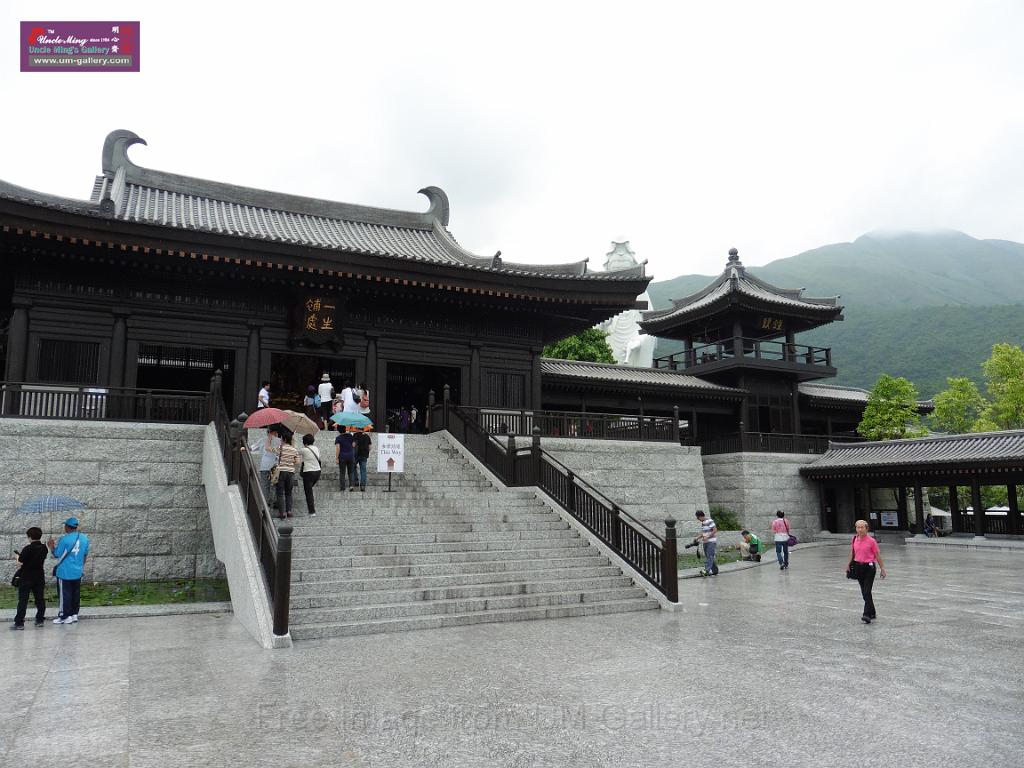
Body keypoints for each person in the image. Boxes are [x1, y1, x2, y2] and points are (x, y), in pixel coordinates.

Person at [47, 517, 90, 625]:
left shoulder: (65, 539)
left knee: (64, 594)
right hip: (77, 571)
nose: (64, 527)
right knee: (75, 593)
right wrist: (79, 566)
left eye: (65, 526)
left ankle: (64, 616)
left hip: (65, 572)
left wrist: (51, 546)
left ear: (67, 527)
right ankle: (74, 614)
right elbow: (85, 555)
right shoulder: (84, 538)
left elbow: (57, 554)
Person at [847, 519, 887, 624]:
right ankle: (872, 611)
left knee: (866, 591)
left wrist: (882, 568)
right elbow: (852, 552)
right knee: (864, 592)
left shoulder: (871, 541)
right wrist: (848, 564)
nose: (859, 529)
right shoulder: (854, 539)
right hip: (858, 567)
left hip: (869, 568)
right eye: (857, 527)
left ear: (866, 528)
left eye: (861, 527)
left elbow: (877, 555)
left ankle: (867, 614)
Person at [11, 527, 48, 630]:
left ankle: (19, 623)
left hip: (26, 577)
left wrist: (18, 557)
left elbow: (20, 564)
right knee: (40, 599)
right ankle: (40, 620)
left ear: (30, 537)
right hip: (39, 577)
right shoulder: (44, 548)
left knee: (23, 600)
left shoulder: (27, 548)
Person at [274, 429, 301, 518]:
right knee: (289, 493)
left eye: (281, 438)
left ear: (284, 439)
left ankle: (282, 513)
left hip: (281, 472)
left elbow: (270, 450)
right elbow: (297, 462)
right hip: (290, 473)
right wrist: (290, 460)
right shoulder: (294, 450)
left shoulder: (280, 448)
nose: (281, 440)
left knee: (280, 493)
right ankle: (289, 511)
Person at [299, 433, 322, 516]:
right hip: (317, 472)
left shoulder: (304, 450)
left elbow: (295, 453)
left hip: (308, 472)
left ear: (304, 443)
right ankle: (311, 508)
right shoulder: (316, 448)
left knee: (308, 492)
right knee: (310, 489)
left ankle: (312, 512)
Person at [258, 427, 282, 504]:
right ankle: (275, 502)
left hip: (265, 466)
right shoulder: (280, 441)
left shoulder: (262, 440)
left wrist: (243, 447)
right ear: (276, 433)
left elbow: (251, 448)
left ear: (268, 432)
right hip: (275, 467)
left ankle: (265, 503)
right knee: (275, 484)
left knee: (265, 485)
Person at [694, 510, 718, 576]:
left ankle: (706, 570)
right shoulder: (703, 523)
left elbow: (715, 530)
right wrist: (697, 538)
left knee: (710, 556)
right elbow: (703, 533)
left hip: (711, 542)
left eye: (698, 517)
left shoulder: (710, 521)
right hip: (705, 542)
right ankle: (715, 570)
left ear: (701, 516)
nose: (697, 519)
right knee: (708, 556)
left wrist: (708, 536)